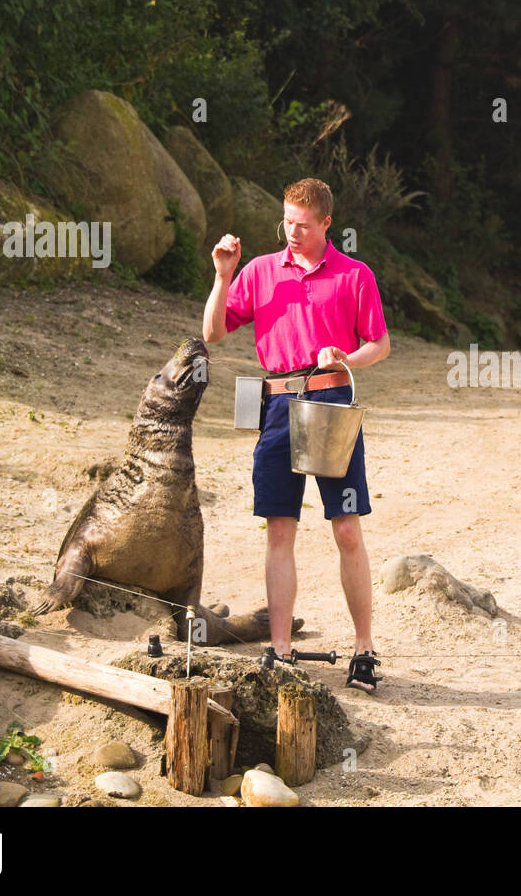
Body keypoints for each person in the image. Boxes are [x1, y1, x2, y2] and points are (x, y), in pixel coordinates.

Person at [202, 178, 390, 692]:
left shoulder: (355, 274)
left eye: (303, 225)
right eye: (287, 221)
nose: (293, 232)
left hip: (332, 399)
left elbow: (380, 343)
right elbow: (213, 333)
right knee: (280, 529)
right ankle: (281, 650)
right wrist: (223, 276)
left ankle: (364, 650)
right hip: (278, 406)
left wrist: (347, 357)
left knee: (347, 528)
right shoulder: (260, 271)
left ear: (327, 223)